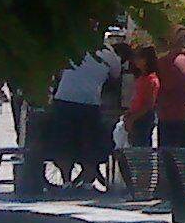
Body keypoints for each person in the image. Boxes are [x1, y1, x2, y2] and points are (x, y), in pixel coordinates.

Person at [50, 40, 122, 186]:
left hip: (64, 99)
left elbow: (60, 71)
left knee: (64, 142)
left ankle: (66, 182)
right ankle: (88, 182)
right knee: (90, 144)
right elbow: (116, 75)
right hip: (90, 102)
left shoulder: (73, 46)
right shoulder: (110, 54)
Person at [120, 45, 161, 152]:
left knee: (141, 148)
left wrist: (133, 118)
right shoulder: (142, 77)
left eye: (139, 57)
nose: (136, 60)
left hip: (143, 118)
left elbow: (149, 104)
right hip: (135, 115)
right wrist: (129, 113)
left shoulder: (152, 79)